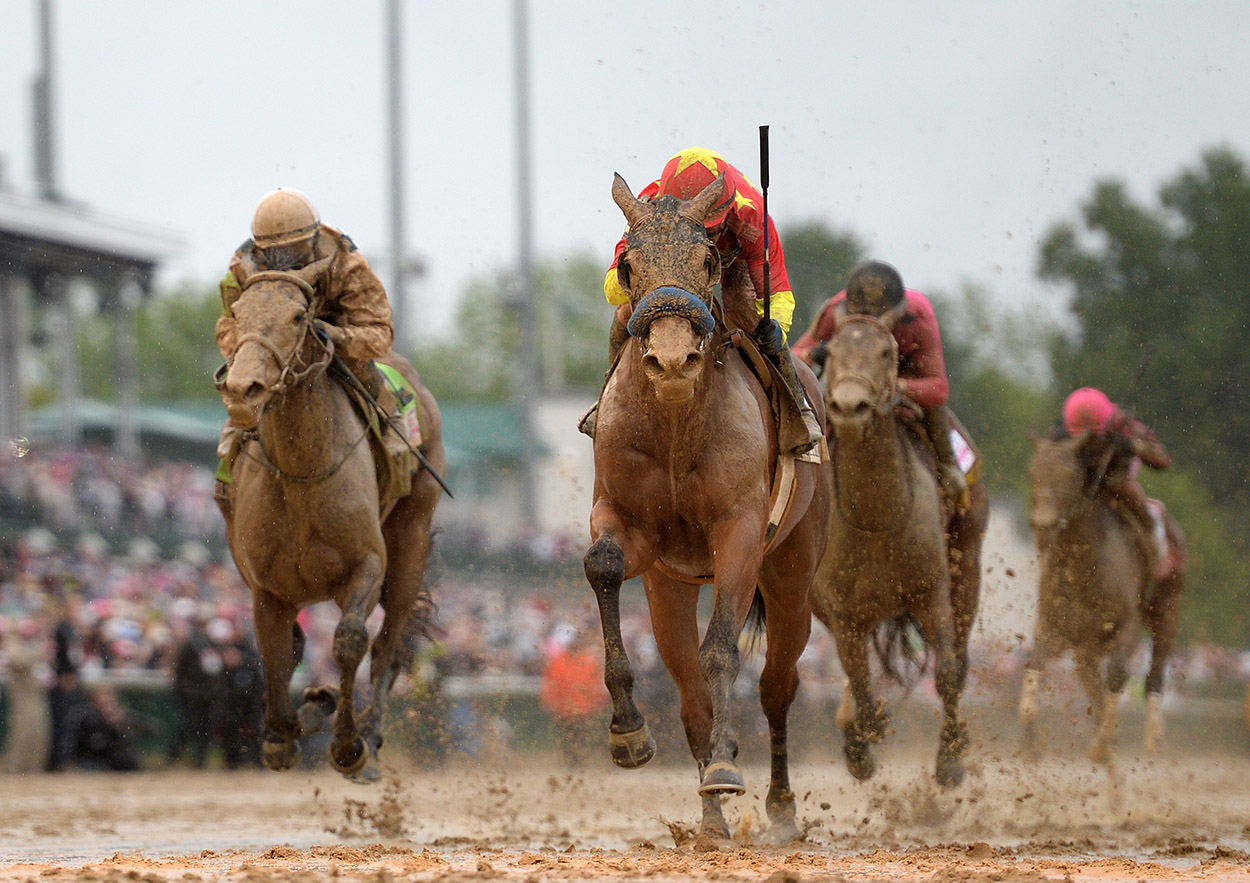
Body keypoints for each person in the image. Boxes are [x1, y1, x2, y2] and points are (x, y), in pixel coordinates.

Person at [584, 146, 822, 450]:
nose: (705, 236)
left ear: (726, 213)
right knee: (625, 310)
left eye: (709, 229)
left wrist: (774, 327)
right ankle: (607, 395)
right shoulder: (646, 206)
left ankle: (797, 405)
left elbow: (778, 292)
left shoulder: (752, 217)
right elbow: (612, 288)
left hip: (732, 264)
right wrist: (643, 265)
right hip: (670, 258)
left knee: (744, 311)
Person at [213, 188, 416, 503]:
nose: (288, 261)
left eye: (296, 250)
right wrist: (248, 352)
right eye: (277, 254)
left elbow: (379, 334)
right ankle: (231, 454)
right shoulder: (241, 269)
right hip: (274, 346)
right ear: (260, 250)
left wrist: (336, 336)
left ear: (312, 239)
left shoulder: (346, 263)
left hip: (334, 338)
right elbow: (228, 324)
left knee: (360, 367)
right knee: (243, 387)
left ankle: (391, 425)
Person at [792, 260, 968, 503]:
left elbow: (937, 389)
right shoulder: (833, 311)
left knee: (941, 421)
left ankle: (948, 465)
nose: (867, 324)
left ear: (898, 315)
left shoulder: (918, 317)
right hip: (849, 385)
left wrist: (897, 386)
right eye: (860, 317)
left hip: (904, 375)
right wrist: (813, 355)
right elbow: (792, 358)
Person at [1059, 386, 1173, 580]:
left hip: (1118, 476)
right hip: (1082, 479)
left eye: (1093, 437)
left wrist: (1132, 444)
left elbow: (1162, 460)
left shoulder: (1126, 426)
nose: (1088, 443)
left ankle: (1155, 546)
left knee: (1124, 489)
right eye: (1080, 438)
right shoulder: (1061, 433)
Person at [538, 626, 608, 766]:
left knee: (580, 738)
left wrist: (597, 703)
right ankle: (573, 763)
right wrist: (551, 704)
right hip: (566, 711)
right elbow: (550, 686)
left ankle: (579, 763)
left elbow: (596, 686)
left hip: (582, 711)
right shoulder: (559, 662)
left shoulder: (587, 661)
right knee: (569, 739)